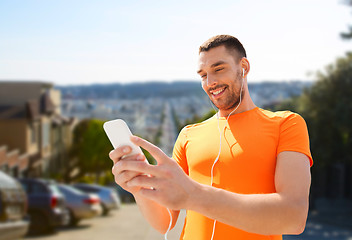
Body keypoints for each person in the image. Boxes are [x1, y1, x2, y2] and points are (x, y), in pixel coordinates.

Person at [109, 35, 313, 240]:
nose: (210, 82)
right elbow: (165, 222)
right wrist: (138, 186)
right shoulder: (188, 135)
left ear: (244, 66)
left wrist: (194, 196)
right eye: (203, 75)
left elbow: (293, 216)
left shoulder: (286, 124)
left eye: (218, 69)